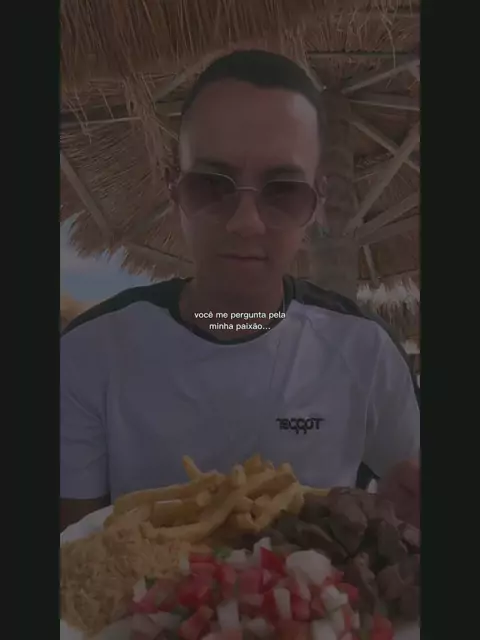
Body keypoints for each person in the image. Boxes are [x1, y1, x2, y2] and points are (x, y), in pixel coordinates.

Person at [60, 50, 420, 531]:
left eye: (283, 190)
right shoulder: (89, 355)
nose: (245, 223)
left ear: (316, 203)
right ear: (175, 191)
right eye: (213, 185)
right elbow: (75, 552)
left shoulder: (365, 351)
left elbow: (410, 496)